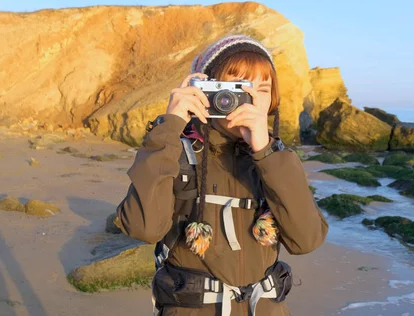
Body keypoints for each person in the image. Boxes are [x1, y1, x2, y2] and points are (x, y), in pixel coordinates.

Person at [115, 35, 329, 316]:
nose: (246, 99)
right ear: (206, 89)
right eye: (235, 87)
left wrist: (266, 152)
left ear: (272, 101)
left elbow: (307, 240)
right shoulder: (175, 152)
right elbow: (142, 228)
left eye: (261, 89)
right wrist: (168, 128)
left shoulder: (276, 160)